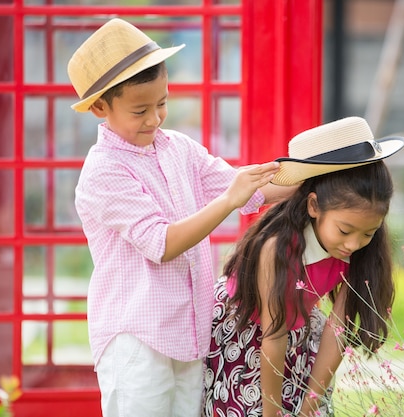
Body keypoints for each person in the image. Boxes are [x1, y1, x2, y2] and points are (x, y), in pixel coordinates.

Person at [67, 18, 292, 417]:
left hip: (189, 335)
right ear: (100, 106)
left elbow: (248, 188)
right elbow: (162, 243)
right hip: (136, 341)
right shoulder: (103, 171)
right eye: (140, 110)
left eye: (162, 103)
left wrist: (317, 176)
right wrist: (227, 200)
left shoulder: (179, 148)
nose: (154, 119)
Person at [203, 116, 404, 417]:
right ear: (313, 206)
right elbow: (272, 338)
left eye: (368, 232)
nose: (353, 244)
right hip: (245, 336)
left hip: (296, 333)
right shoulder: (277, 249)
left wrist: (309, 404)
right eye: (345, 230)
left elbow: (338, 329)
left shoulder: (359, 246)